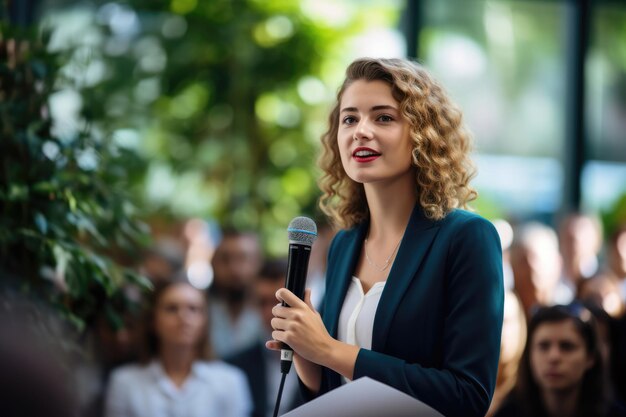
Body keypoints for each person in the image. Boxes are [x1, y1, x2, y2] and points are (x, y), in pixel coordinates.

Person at [266, 57, 504, 417]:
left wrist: (329, 349)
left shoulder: (467, 238)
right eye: (350, 118)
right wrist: (305, 349)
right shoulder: (344, 245)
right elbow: (332, 393)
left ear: (424, 133)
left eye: (383, 117)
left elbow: (468, 395)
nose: (361, 130)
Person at [104, 277, 252, 417]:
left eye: (193, 309)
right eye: (172, 309)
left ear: (205, 321)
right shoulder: (124, 382)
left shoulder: (231, 381)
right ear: (153, 319)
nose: (184, 317)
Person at [493, 303, 626, 417]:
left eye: (567, 346)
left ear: (590, 357)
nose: (554, 357)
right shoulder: (508, 413)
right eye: (543, 346)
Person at [225, 258, 304, 417]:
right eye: (262, 302)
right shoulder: (235, 365)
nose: (271, 312)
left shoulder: (321, 362)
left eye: (280, 303)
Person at [209, 229, 264, 358]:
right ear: (213, 263)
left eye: (243, 259)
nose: (234, 269)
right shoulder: (199, 310)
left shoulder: (273, 313)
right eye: (225, 259)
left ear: (258, 263)